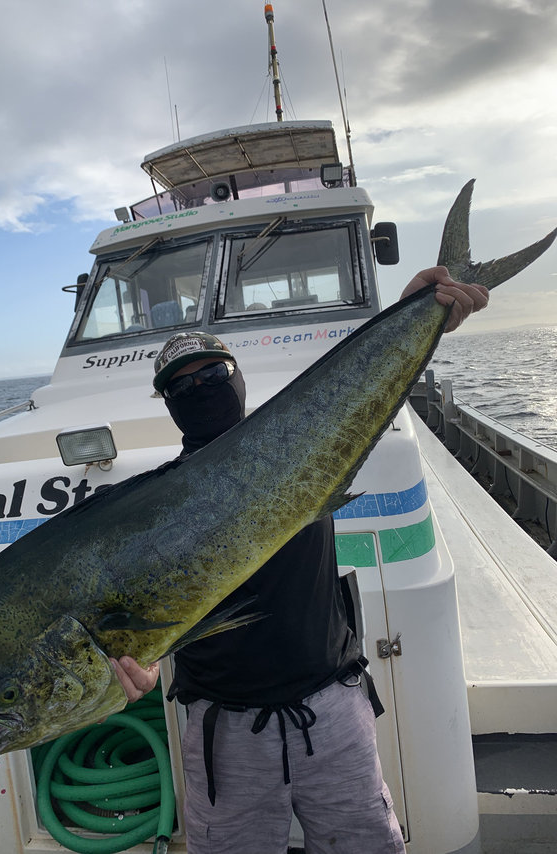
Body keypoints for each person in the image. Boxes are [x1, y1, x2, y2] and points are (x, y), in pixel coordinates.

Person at [111, 267, 489, 854]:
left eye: (212, 374)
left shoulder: (302, 443)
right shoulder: (157, 508)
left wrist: (418, 314)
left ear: (237, 379)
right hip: (223, 733)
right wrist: (140, 664)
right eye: (180, 388)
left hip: (332, 708)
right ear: (167, 406)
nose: (200, 389)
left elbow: (361, 392)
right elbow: (141, 623)